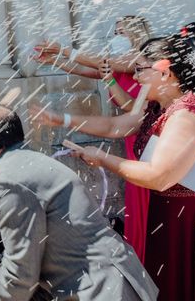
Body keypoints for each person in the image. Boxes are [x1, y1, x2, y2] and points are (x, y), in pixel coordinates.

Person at [66, 34, 195, 300]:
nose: (136, 76)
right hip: (166, 213)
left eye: (141, 69)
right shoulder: (159, 108)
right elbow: (118, 125)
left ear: (165, 72)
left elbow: (159, 176)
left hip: (194, 219)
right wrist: (61, 118)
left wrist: (103, 158)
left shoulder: (191, 110)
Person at [0, 105, 158, 301]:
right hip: (112, 278)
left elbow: (22, 271)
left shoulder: (6, 178)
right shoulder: (33, 161)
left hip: (100, 289)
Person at [34, 15, 152, 260]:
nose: (116, 36)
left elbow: (123, 96)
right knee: (136, 195)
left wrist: (63, 48)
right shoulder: (117, 63)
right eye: (115, 32)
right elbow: (86, 70)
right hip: (129, 133)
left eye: (121, 32)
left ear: (135, 33)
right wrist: (55, 60)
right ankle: (142, 254)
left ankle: (148, 251)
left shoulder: (138, 59)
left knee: (146, 193)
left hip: (141, 132)